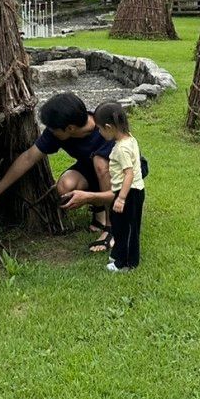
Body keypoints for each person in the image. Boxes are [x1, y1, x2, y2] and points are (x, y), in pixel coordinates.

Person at [0, 92, 114, 252]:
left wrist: (111, 226)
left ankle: (111, 227)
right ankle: (99, 210)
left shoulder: (105, 130)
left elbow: (115, 167)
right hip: (91, 171)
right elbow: (28, 158)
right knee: (65, 186)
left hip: (120, 175)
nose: (50, 132)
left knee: (101, 164)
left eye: (53, 129)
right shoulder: (59, 132)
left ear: (70, 128)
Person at [63, 101, 145, 272]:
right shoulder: (130, 138)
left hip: (129, 193)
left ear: (109, 127)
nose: (99, 133)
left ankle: (125, 264)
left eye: (100, 129)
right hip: (131, 191)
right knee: (123, 225)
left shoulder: (121, 149)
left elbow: (129, 174)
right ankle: (118, 255)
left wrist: (121, 198)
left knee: (126, 228)